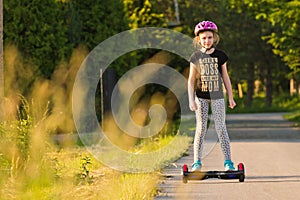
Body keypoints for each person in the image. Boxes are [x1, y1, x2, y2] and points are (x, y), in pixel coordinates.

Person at [187, 20, 236, 171]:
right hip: (200, 96)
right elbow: (191, 80)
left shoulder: (221, 56)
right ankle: (197, 162)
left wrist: (231, 97)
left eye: (209, 37)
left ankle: (228, 162)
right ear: (198, 40)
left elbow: (225, 77)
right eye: (203, 38)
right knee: (201, 128)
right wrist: (191, 100)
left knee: (221, 128)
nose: (207, 41)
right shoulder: (195, 57)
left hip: (218, 96)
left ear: (214, 37)